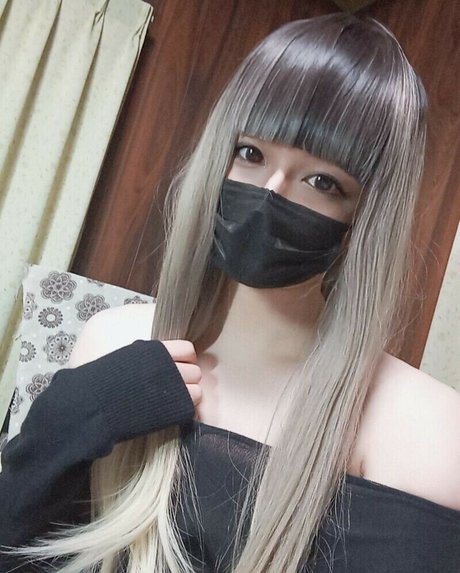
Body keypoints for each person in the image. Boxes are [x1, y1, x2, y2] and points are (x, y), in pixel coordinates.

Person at [1, 12, 460, 573]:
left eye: (322, 182)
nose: (270, 193)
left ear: (366, 215)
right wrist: (72, 416)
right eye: (251, 154)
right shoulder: (113, 341)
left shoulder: (428, 431)